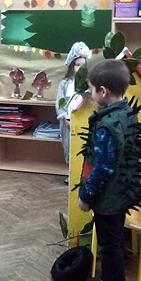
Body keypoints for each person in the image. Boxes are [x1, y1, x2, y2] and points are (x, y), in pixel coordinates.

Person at [76, 59, 141, 281]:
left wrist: (86, 195)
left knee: (111, 247)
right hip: (121, 191)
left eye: (91, 89)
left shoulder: (106, 126)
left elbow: (103, 168)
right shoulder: (126, 112)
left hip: (109, 198)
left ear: (103, 91)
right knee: (113, 243)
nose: (90, 93)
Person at [56, 42, 91, 184]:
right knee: (69, 148)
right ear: (71, 66)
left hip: (84, 122)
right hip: (68, 123)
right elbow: (60, 103)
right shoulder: (64, 83)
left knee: (84, 148)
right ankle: (71, 173)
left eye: (83, 65)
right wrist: (65, 119)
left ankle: (84, 174)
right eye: (77, 65)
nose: (80, 68)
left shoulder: (89, 84)